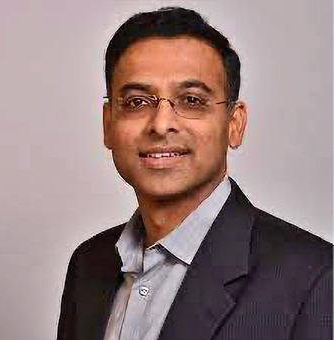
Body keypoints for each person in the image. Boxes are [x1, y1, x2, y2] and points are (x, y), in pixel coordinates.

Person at [57, 6, 333, 340]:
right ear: (108, 124)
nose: (161, 125)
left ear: (234, 124)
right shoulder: (88, 265)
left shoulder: (317, 277)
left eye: (191, 100)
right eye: (136, 102)